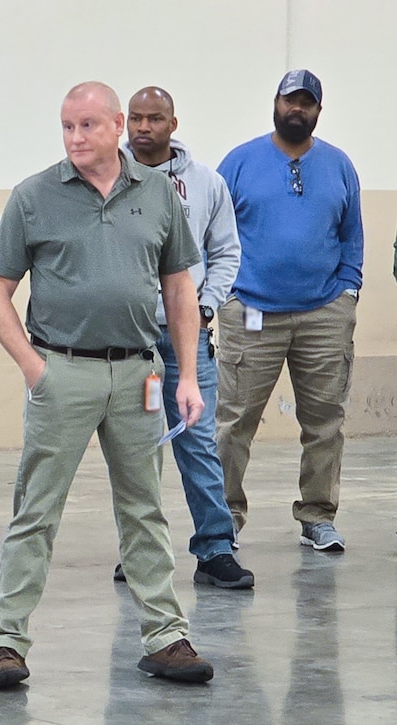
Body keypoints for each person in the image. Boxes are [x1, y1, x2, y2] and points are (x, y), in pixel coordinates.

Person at [0, 82, 213, 689]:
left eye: (87, 126)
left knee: (145, 509)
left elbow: (180, 289)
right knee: (36, 510)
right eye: (66, 127)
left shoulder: (158, 193)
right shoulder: (35, 196)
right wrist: (35, 368)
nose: (76, 138)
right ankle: (6, 643)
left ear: (116, 126)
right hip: (64, 371)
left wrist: (186, 375)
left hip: (141, 373)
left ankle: (166, 637)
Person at [216, 69, 362, 552]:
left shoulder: (339, 166)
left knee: (325, 423)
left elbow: (351, 238)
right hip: (251, 312)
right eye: (289, 100)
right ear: (275, 103)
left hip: (324, 314)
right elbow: (212, 235)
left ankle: (318, 516)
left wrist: (347, 293)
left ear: (319, 110)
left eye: (306, 102)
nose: (296, 109)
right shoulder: (239, 162)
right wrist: (227, 296)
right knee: (234, 422)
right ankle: (224, 520)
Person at [122, 86, 253, 589]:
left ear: (173, 124)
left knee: (197, 440)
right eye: (135, 118)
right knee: (135, 444)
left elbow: (226, 253)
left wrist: (203, 308)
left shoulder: (205, 184)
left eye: (154, 118)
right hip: (125, 336)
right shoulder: (104, 178)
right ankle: (139, 549)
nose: (143, 127)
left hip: (185, 335)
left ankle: (216, 549)